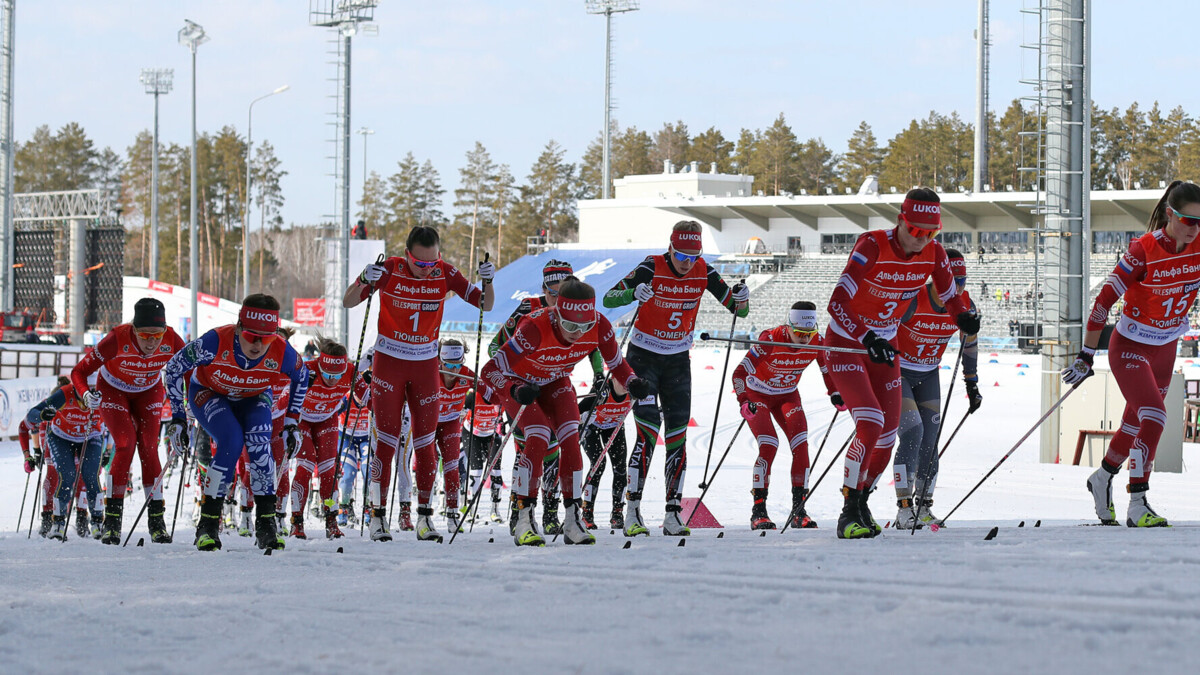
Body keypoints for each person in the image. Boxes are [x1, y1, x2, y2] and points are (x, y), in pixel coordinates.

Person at [825, 188, 978, 539]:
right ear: (900, 222)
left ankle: (861, 501)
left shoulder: (935, 254)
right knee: (870, 422)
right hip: (849, 342)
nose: (921, 240)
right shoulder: (871, 245)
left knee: (889, 433)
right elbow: (837, 303)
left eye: (931, 233)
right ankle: (847, 511)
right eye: (916, 231)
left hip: (884, 345)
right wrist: (867, 338)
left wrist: (964, 318)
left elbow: (952, 298)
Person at [343, 225, 494, 542]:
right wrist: (363, 279)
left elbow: (485, 305)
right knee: (386, 441)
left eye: (431, 262)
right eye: (419, 264)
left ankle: (425, 519)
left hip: (426, 366)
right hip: (389, 362)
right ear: (407, 254)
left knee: (425, 445)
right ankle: (378, 517)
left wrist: (489, 282)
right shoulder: (390, 269)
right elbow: (348, 302)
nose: (426, 270)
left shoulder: (445, 273)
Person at [1066, 180, 1200, 527]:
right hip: (1131, 347)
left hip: (1166, 347)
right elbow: (1102, 302)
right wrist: (1085, 355)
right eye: (1189, 221)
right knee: (1155, 417)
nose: (1194, 230)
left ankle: (1102, 477)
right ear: (1170, 214)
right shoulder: (1143, 250)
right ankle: (1137, 503)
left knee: (1133, 424)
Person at [603, 220, 749, 537]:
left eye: (692, 256)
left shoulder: (703, 270)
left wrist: (743, 296)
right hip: (643, 358)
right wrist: (631, 292)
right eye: (681, 255)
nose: (685, 262)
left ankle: (672, 514)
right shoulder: (651, 266)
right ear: (670, 247)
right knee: (647, 431)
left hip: (678, 361)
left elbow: (738, 311)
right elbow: (608, 299)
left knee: (677, 436)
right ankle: (632, 512)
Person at [479, 276, 649, 546]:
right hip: (521, 384)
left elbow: (617, 365)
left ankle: (572, 518)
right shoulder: (534, 328)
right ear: (557, 313)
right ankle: (524, 518)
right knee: (538, 435)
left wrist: (633, 383)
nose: (577, 333)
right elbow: (489, 371)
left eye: (585, 325)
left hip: (555, 380)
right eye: (570, 325)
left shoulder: (600, 326)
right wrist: (513, 390)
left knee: (571, 437)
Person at [162, 294, 310, 551]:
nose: (257, 344)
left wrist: (291, 422)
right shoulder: (215, 340)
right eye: (251, 336)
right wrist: (177, 417)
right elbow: (174, 367)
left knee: (260, 443)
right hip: (209, 392)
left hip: (253, 397)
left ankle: (266, 525)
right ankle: (207, 525)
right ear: (239, 327)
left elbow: (303, 376)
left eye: (265, 338)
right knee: (231, 440)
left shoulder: (282, 351)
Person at [489, 259, 602, 535]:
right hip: (521, 388)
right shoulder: (529, 308)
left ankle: (552, 512)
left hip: (551, 385)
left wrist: (599, 376)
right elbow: (496, 346)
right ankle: (521, 513)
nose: (558, 299)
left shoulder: (577, 310)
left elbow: (591, 343)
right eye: (553, 293)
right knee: (530, 445)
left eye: (563, 292)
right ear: (544, 289)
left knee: (556, 446)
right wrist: (513, 379)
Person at [69, 298, 186, 545]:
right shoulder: (117, 338)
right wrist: (86, 393)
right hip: (113, 390)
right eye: (145, 335)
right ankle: (112, 522)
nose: (152, 342)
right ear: (134, 328)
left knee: (149, 446)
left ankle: (156, 522)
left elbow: (192, 369)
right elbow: (78, 372)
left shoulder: (172, 339)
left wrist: (195, 402)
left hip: (149, 390)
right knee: (125, 443)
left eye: (158, 335)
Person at [891, 249, 981, 529]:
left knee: (930, 441)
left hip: (929, 373)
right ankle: (904, 508)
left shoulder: (965, 305)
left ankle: (924, 508)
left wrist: (972, 382)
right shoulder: (913, 299)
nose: (958, 289)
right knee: (912, 432)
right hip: (899, 372)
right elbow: (882, 325)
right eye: (953, 282)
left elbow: (970, 342)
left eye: (963, 281)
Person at [732, 301, 835, 530]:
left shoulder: (817, 342)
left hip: (787, 396)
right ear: (788, 326)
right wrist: (743, 401)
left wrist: (835, 393)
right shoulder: (770, 340)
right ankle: (758, 511)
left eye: (809, 333)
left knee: (801, 445)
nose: (804, 339)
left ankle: (799, 510)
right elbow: (738, 373)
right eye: (799, 332)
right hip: (757, 393)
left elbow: (827, 369)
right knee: (769, 445)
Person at [286, 337, 353, 540]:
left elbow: (366, 396)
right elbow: (283, 391)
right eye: (327, 374)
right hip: (303, 420)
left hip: (327, 420)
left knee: (328, 470)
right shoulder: (308, 369)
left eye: (338, 375)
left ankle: (331, 521)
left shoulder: (351, 371)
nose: (332, 379)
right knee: (305, 466)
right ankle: (296, 523)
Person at [25, 377, 105, 541]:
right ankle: (57, 522)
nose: (85, 400)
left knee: (90, 475)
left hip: (90, 437)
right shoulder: (63, 394)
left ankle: (97, 522)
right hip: (61, 436)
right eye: (81, 393)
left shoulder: (106, 394)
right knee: (66, 475)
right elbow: (32, 414)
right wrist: (42, 414)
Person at [578, 377, 633, 530]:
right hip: (592, 426)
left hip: (614, 427)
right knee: (598, 465)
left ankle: (617, 513)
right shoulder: (602, 391)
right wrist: (583, 418)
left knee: (621, 467)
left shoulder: (633, 391)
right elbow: (576, 411)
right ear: (614, 378)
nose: (625, 386)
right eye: (622, 380)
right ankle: (587, 512)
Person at [434, 338, 473, 536]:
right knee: (429, 463)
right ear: (440, 362)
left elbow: (490, 392)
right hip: (428, 423)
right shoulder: (431, 372)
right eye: (448, 365)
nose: (453, 370)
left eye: (458, 364)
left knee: (452, 467)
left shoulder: (466, 374)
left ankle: (452, 513)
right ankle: (423, 514)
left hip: (450, 423)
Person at [336, 362, 372, 527]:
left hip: (366, 438)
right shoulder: (347, 397)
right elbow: (332, 410)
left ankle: (369, 508)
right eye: (361, 393)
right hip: (347, 437)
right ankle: (343, 507)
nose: (364, 398)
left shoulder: (373, 400)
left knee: (368, 473)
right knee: (348, 474)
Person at [462, 389, 506, 523]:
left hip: (491, 434)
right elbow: (460, 410)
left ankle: (495, 509)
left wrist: (504, 424)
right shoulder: (474, 396)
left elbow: (511, 414)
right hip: (472, 434)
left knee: (496, 471)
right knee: (476, 471)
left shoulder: (502, 397)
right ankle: (471, 508)